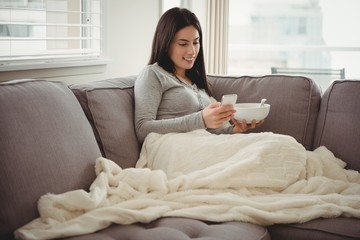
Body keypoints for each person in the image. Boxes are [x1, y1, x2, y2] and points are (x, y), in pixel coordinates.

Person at [134, 7, 263, 143]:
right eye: (183, 44)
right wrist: (200, 119)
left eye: (196, 42)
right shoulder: (153, 74)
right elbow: (142, 128)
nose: (192, 51)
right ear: (166, 44)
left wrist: (234, 130)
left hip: (203, 145)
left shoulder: (196, 80)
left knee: (271, 143)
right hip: (174, 148)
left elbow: (206, 133)